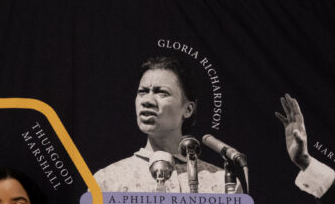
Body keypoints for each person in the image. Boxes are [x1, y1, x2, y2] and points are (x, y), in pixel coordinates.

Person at [94, 55, 236, 193]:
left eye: (161, 92)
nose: (147, 101)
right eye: (142, 92)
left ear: (187, 109)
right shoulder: (108, 181)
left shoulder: (221, 183)